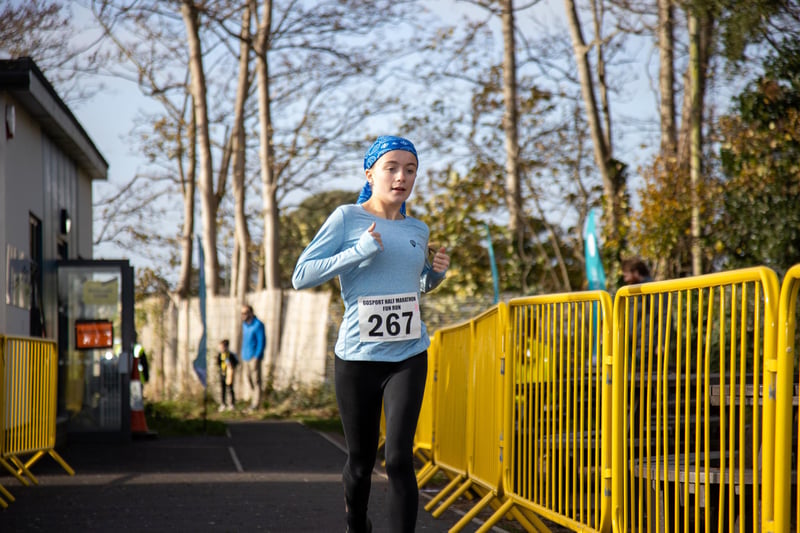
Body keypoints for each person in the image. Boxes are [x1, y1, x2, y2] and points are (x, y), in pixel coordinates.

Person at [292, 135, 450, 533]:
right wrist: (357, 251)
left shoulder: (418, 228)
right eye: (392, 168)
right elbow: (301, 275)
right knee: (360, 463)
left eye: (410, 170)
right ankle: (356, 525)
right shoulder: (347, 218)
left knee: (398, 458)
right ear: (370, 173)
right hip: (358, 359)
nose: (401, 177)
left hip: (409, 355)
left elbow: (412, 287)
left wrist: (435, 276)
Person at [240, 304, 266, 412]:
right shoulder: (245, 325)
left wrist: (257, 356)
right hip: (245, 356)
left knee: (256, 380)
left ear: (251, 313)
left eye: (245, 313)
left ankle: (256, 404)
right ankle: (253, 399)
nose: (243, 315)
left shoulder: (258, 325)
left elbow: (261, 341)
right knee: (248, 379)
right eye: (242, 313)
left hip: (254, 357)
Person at [217, 339, 238, 412]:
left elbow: (236, 363)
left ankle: (232, 403)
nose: (221, 349)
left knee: (230, 388)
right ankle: (223, 403)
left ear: (226, 347)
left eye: (222, 347)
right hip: (223, 373)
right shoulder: (220, 355)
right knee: (223, 389)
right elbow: (218, 363)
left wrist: (231, 365)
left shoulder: (231, 355)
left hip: (229, 374)